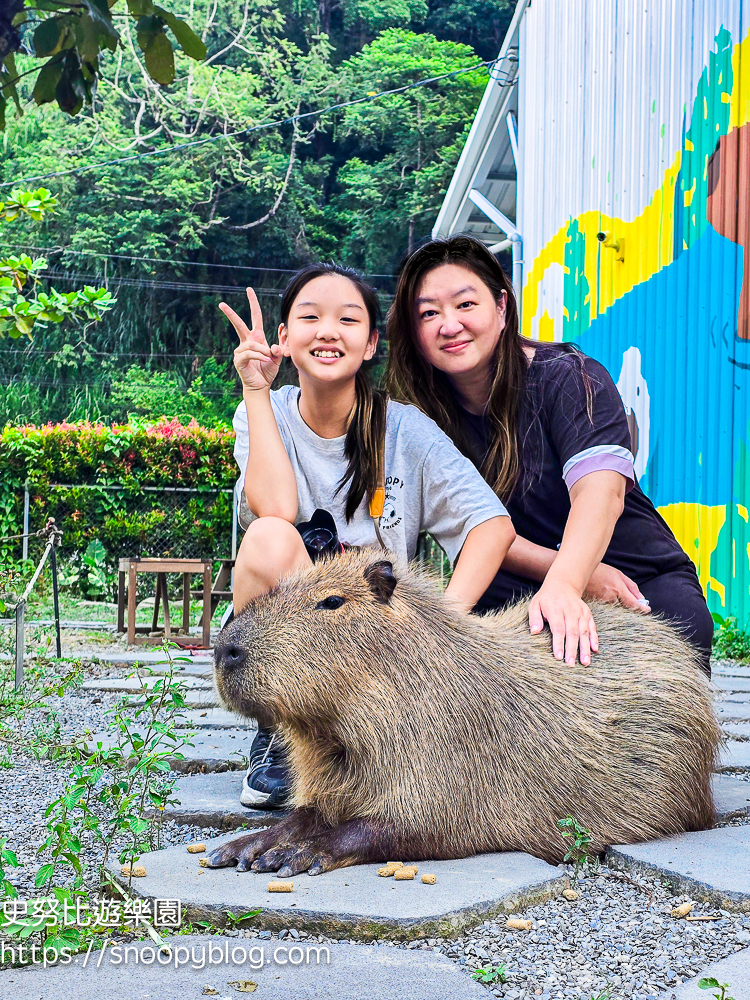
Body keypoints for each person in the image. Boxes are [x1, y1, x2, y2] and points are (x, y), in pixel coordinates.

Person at [223, 262, 516, 809]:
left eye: (348, 319)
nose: (328, 331)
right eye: (309, 317)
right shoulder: (262, 412)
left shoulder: (406, 429)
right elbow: (276, 509)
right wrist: (256, 391)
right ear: (284, 338)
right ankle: (277, 729)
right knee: (269, 537)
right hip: (291, 627)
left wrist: (443, 627)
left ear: (372, 342)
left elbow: (492, 524)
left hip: (374, 642)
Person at [385, 235, 714, 676]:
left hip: (635, 575)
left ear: (502, 307)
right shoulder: (418, 419)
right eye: (428, 313)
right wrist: (567, 575)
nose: (449, 324)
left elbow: (602, 494)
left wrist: (567, 583)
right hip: (516, 585)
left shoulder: (570, 379)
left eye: (466, 304)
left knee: (672, 657)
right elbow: (472, 532)